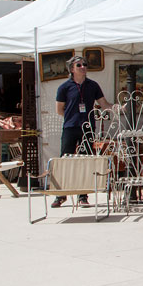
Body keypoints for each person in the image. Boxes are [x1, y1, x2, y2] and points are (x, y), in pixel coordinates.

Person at [53, 55, 111, 208]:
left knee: (86, 160)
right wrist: (73, 116)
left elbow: (104, 104)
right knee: (65, 160)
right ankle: (61, 195)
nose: (83, 67)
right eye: (79, 65)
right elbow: (59, 110)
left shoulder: (93, 85)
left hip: (88, 128)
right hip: (70, 127)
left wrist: (118, 107)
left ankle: (83, 196)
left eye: (84, 64)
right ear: (72, 69)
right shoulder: (64, 87)